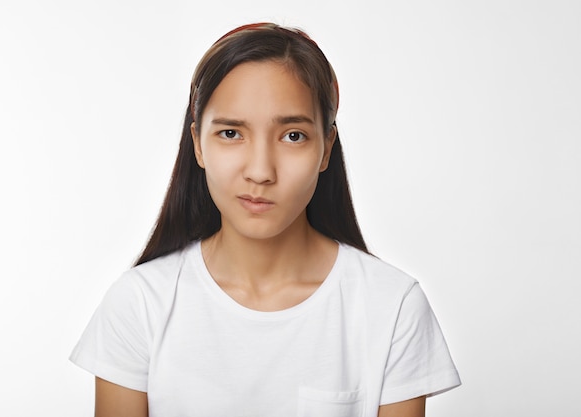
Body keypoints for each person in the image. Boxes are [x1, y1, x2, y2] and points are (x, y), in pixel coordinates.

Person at [70, 22, 461, 417]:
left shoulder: (391, 307)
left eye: (293, 136)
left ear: (326, 149)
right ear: (198, 145)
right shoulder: (139, 304)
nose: (260, 171)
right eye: (230, 133)